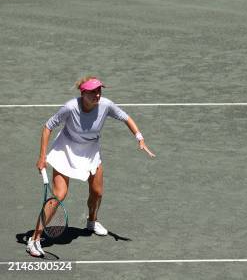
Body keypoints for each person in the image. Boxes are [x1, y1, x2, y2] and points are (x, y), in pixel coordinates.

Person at [26, 76, 155, 257]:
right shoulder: (70, 107)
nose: (97, 94)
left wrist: (139, 138)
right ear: (83, 93)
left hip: (90, 151)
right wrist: (42, 157)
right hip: (67, 149)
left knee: (97, 192)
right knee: (59, 195)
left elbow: (126, 118)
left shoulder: (106, 105)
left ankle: (92, 221)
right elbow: (48, 126)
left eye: (99, 90)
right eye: (93, 91)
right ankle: (35, 239)